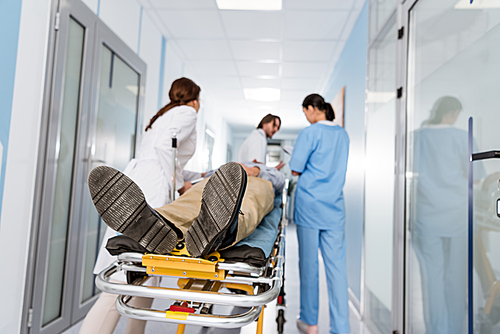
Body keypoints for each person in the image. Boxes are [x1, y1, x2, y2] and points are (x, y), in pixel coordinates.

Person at [79, 77, 201, 334]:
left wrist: (186, 177)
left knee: (146, 274)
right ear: (195, 99)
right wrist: (180, 185)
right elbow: (165, 148)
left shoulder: (162, 116)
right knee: (127, 275)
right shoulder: (188, 112)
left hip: (138, 182)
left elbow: (165, 155)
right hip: (153, 191)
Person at [88, 161, 285, 259]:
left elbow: (280, 182)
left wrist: (256, 170)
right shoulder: (223, 170)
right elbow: (200, 179)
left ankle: (223, 230)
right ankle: (159, 222)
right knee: (185, 204)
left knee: (245, 205)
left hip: (256, 185)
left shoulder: (268, 172)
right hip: (212, 184)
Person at [411, 96, 485, 333]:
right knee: (456, 278)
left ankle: (437, 330)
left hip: (426, 217)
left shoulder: (415, 138)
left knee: (432, 277)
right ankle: (454, 329)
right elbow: (476, 178)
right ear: (452, 113)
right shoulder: (463, 137)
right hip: (458, 216)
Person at [289, 94, 350, 334]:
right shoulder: (343, 135)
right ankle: (341, 328)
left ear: (313, 109)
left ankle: (310, 321)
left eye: (305, 112)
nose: (306, 117)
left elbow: (295, 168)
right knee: (337, 269)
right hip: (334, 208)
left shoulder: (309, 133)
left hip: (310, 206)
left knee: (309, 265)